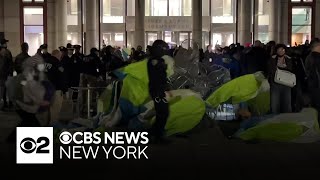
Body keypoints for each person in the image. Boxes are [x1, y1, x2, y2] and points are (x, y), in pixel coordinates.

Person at [147, 40, 171, 143]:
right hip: (157, 90)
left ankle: (154, 134)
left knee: (162, 112)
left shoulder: (158, 60)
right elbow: (156, 76)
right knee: (163, 112)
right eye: (162, 49)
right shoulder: (154, 61)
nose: (163, 51)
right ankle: (155, 135)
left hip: (159, 89)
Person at [268, 44, 294, 114]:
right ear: (276, 51)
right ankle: (275, 117)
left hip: (286, 83)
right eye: (279, 50)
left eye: (282, 50)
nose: (281, 51)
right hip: (275, 83)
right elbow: (270, 70)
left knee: (287, 102)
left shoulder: (288, 59)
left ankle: (286, 118)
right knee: (275, 103)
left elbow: (291, 70)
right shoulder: (272, 59)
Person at [305, 42, 320, 122]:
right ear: (317, 47)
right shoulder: (316, 57)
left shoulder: (309, 57)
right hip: (317, 85)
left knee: (315, 105)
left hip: (312, 85)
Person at [0, 38, 13, 111]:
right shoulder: (7, 52)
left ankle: (4, 103)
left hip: (1, 75)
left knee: (3, 90)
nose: (6, 44)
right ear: (4, 44)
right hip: (7, 74)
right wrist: (10, 74)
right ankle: (10, 103)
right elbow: (10, 64)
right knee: (9, 89)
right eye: (6, 43)